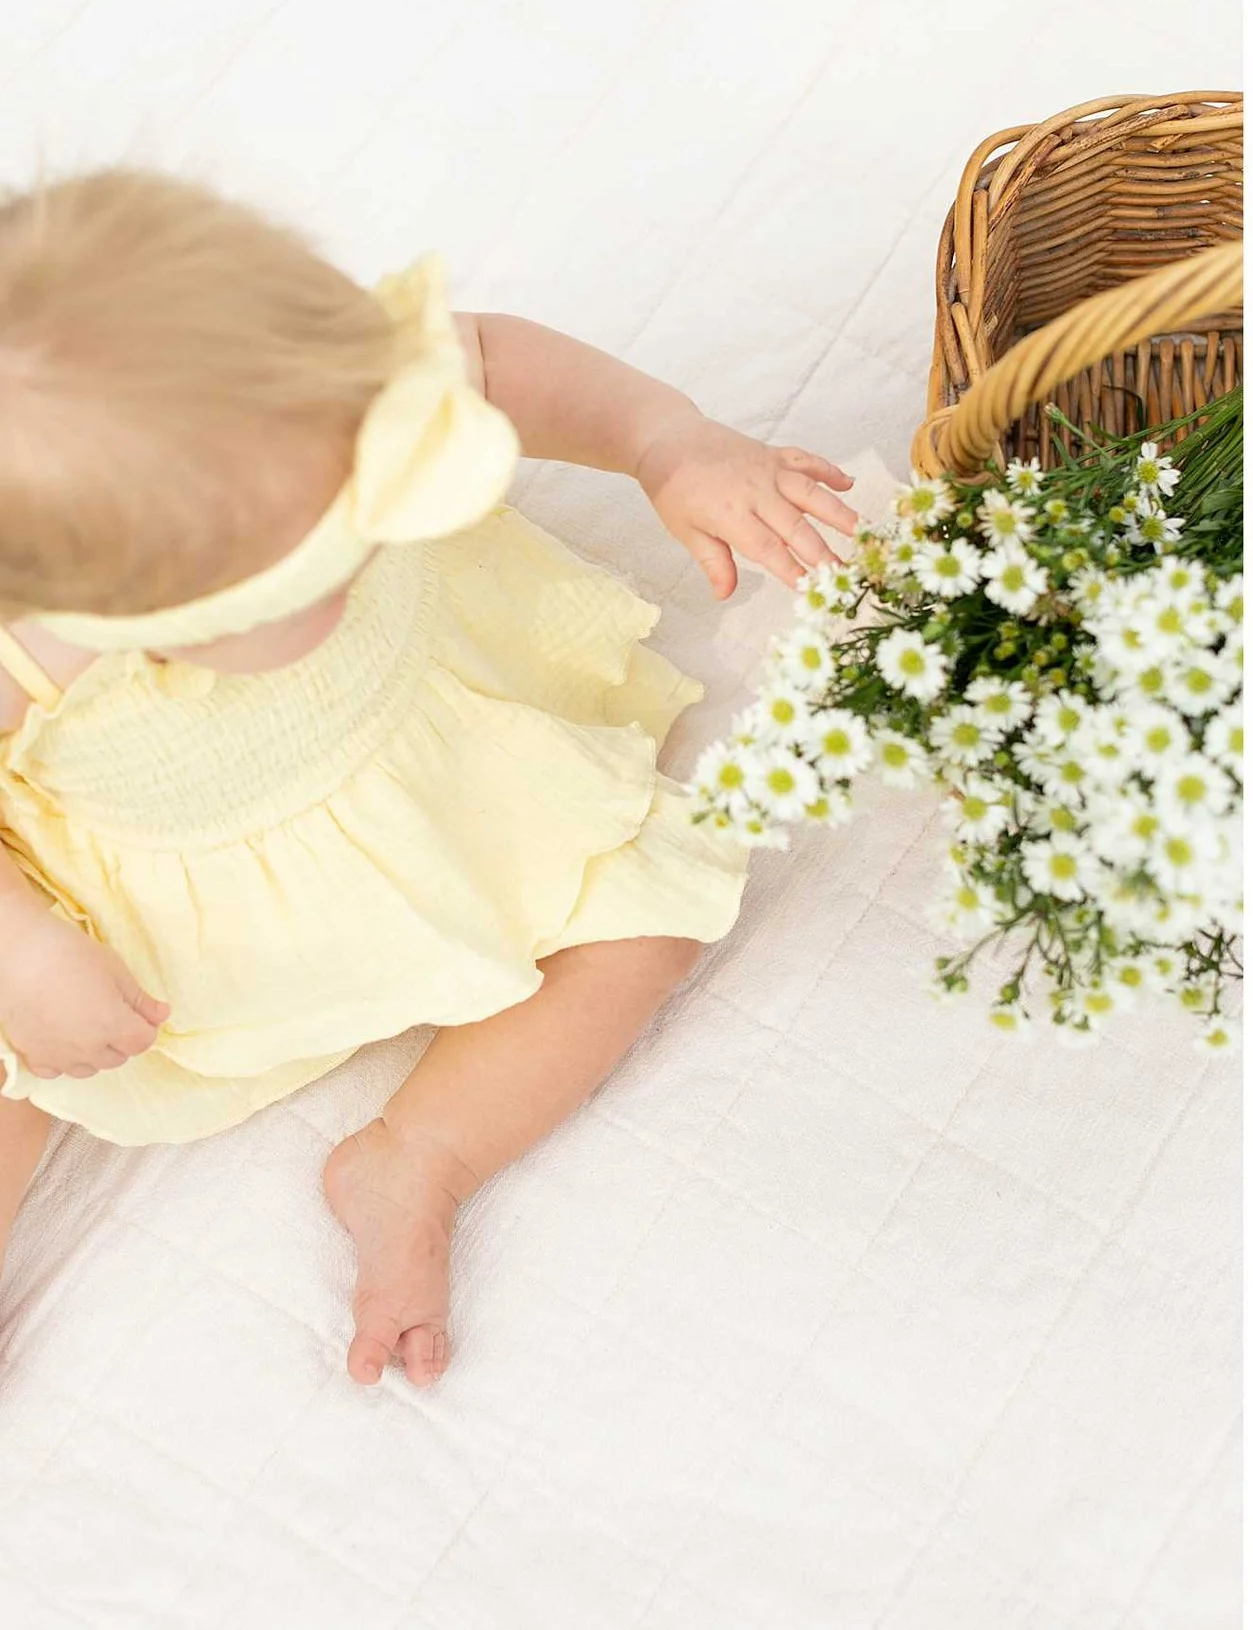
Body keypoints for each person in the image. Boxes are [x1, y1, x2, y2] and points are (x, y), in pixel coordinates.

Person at [0, 167, 861, 1384]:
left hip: (435, 762)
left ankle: (417, 1158)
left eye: (359, 490)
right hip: (148, 907)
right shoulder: (31, 623)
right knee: (19, 1057)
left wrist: (670, 444)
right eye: (303, 559)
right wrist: (25, 950)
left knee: (653, 915)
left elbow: (497, 366)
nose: (363, 525)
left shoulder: (307, 386)